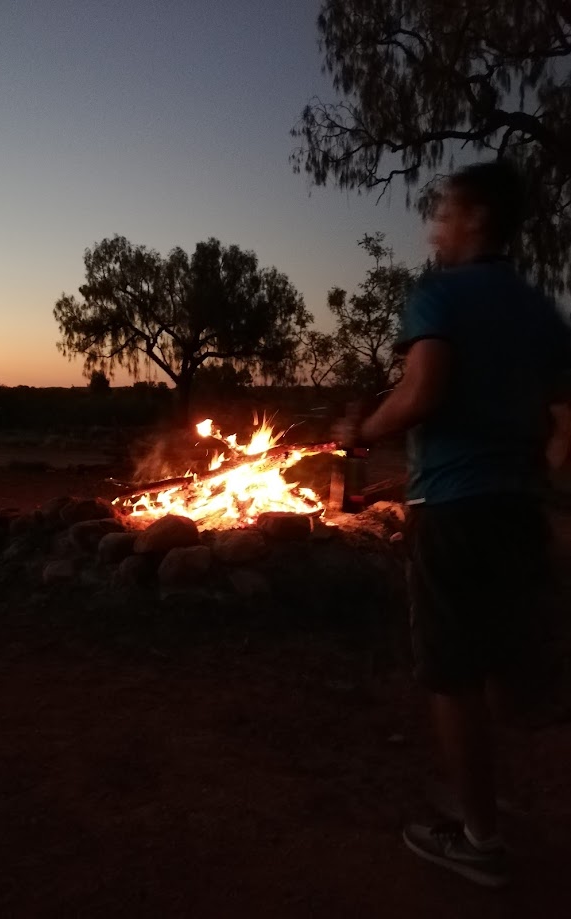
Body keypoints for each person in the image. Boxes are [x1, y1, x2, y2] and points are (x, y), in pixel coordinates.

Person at [340, 160, 571, 888]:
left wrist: (363, 431)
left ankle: (478, 838)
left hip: (451, 510)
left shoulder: (438, 293)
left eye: (441, 212)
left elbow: (422, 389)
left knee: (453, 671)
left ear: (474, 219)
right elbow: (567, 426)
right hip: (517, 506)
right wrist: (535, 472)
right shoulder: (540, 310)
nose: (433, 226)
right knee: (524, 672)